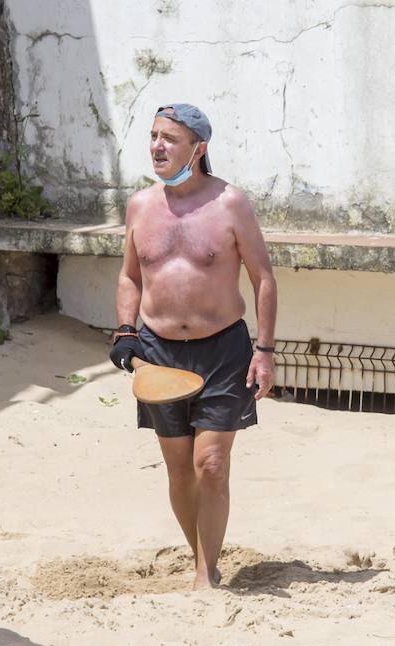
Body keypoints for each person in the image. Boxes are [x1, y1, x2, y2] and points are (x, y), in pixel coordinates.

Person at [109, 104, 278, 589]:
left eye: (170, 139)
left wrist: (264, 351)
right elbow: (129, 275)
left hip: (223, 349)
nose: (158, 147)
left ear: (198, 149)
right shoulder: (141, 205)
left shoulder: (230, 204)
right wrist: (125, 330)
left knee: (212, 464)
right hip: (159, 351)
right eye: (154, 136)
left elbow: (263, 277)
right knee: (180, 468)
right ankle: (201, 556)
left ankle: (206, 575)